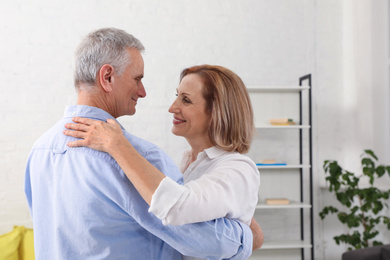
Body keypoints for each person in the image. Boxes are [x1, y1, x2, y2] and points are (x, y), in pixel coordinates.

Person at [24, 28, 259, 260]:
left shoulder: (41, 150)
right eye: (137, 79)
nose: (143, 92)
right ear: (107, 77)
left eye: (185, 99)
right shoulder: (137, 158)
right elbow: (207, 240)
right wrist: (248, 235)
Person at [63, 65, 263, 252]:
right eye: (177, 96)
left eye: (186, 100)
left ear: (217, 112)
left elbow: (176, 208)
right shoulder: (187, 161)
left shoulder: (238, 169)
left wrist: (117, 144)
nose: (172, 107)